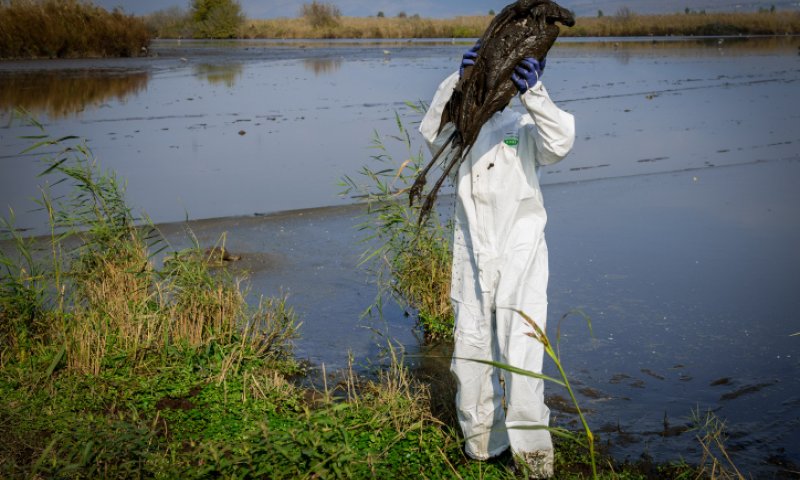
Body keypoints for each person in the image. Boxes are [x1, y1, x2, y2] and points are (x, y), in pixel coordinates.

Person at [418, 43, 575, 478]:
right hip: (470, 250)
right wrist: (457, 81)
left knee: (522, 357)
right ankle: (484, 450)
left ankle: (535, 464)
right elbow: (432, 132)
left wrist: (536, 93)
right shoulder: (470, 116)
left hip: (520, 252)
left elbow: (561, 143)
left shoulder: (529, 120)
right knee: (469, 352)